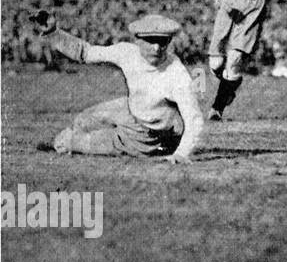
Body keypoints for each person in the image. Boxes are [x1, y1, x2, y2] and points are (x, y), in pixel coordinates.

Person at [31, 10, 203, 163]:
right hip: (129, 109)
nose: (157, 47)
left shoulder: (176, 73)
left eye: (163, 41)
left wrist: (181, 154)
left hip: (145, 137)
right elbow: (86, 53)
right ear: (138, 40)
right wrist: (53, 33)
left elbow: (194, 118)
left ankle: (70, 143)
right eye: (151, 40)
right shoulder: (127, 52)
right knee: (82, 120)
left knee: (68, 142)